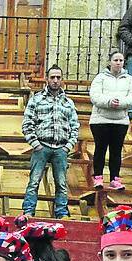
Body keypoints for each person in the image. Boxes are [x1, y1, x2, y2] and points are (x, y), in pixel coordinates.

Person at [22, 66, 79, 219]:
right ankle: (28, 212)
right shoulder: (36, 99)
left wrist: (68, 146)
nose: (55, 80)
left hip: (61, 148)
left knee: (61, 183)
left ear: (62, 80)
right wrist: (35, 144)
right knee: (34, 182)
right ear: (47, 79)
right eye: (52, 77)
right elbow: (27, 124)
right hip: (41, 146)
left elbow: (75, 126)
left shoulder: (68, 102)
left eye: (58, 77)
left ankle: (61, 213)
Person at [89, 51, 132, 191]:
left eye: (121, 60)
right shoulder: (100, 78)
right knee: (100, 149)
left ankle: (115, 179)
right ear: (110, 61)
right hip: (100, 120)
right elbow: (94, 96)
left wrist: (121, 103)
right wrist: (109, 102)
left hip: (120, 121)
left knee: (116, 151)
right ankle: (98, 177)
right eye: (115, 60)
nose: (118, 63)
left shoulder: (130, 80)